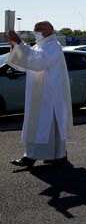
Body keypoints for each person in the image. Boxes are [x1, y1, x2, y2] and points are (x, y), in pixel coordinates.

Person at [5, 21, 72, 167]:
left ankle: (53, 155)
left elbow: (40, 61)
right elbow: (25, 64)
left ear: (48, 31)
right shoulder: (39, 45)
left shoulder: (54, 46)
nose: (35, 32)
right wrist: (14, 45)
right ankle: (37, 155)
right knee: (37, 124)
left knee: (47, 125)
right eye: (35, 29)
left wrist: (20, 42)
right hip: (38, 93)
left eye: (38, 29)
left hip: (50, 95)